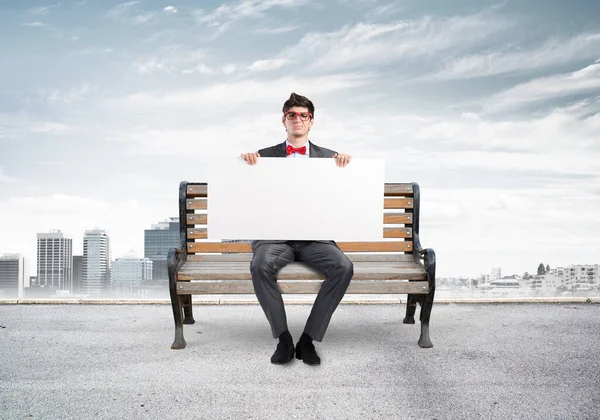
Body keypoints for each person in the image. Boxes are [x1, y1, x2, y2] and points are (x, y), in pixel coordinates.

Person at [240, 92, 354, 365]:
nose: (298, 119)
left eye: (304, 115)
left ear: (311, 122)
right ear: (284, 120)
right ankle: (283, 338)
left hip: (315, 239)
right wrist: (243, 165)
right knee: (259, 265)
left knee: (344, 266)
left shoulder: (331, 159)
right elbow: (243, 194)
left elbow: (346, 196)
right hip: (275, 239)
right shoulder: (261, 158)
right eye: (292, 115)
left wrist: (348, 168)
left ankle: (307, 340)